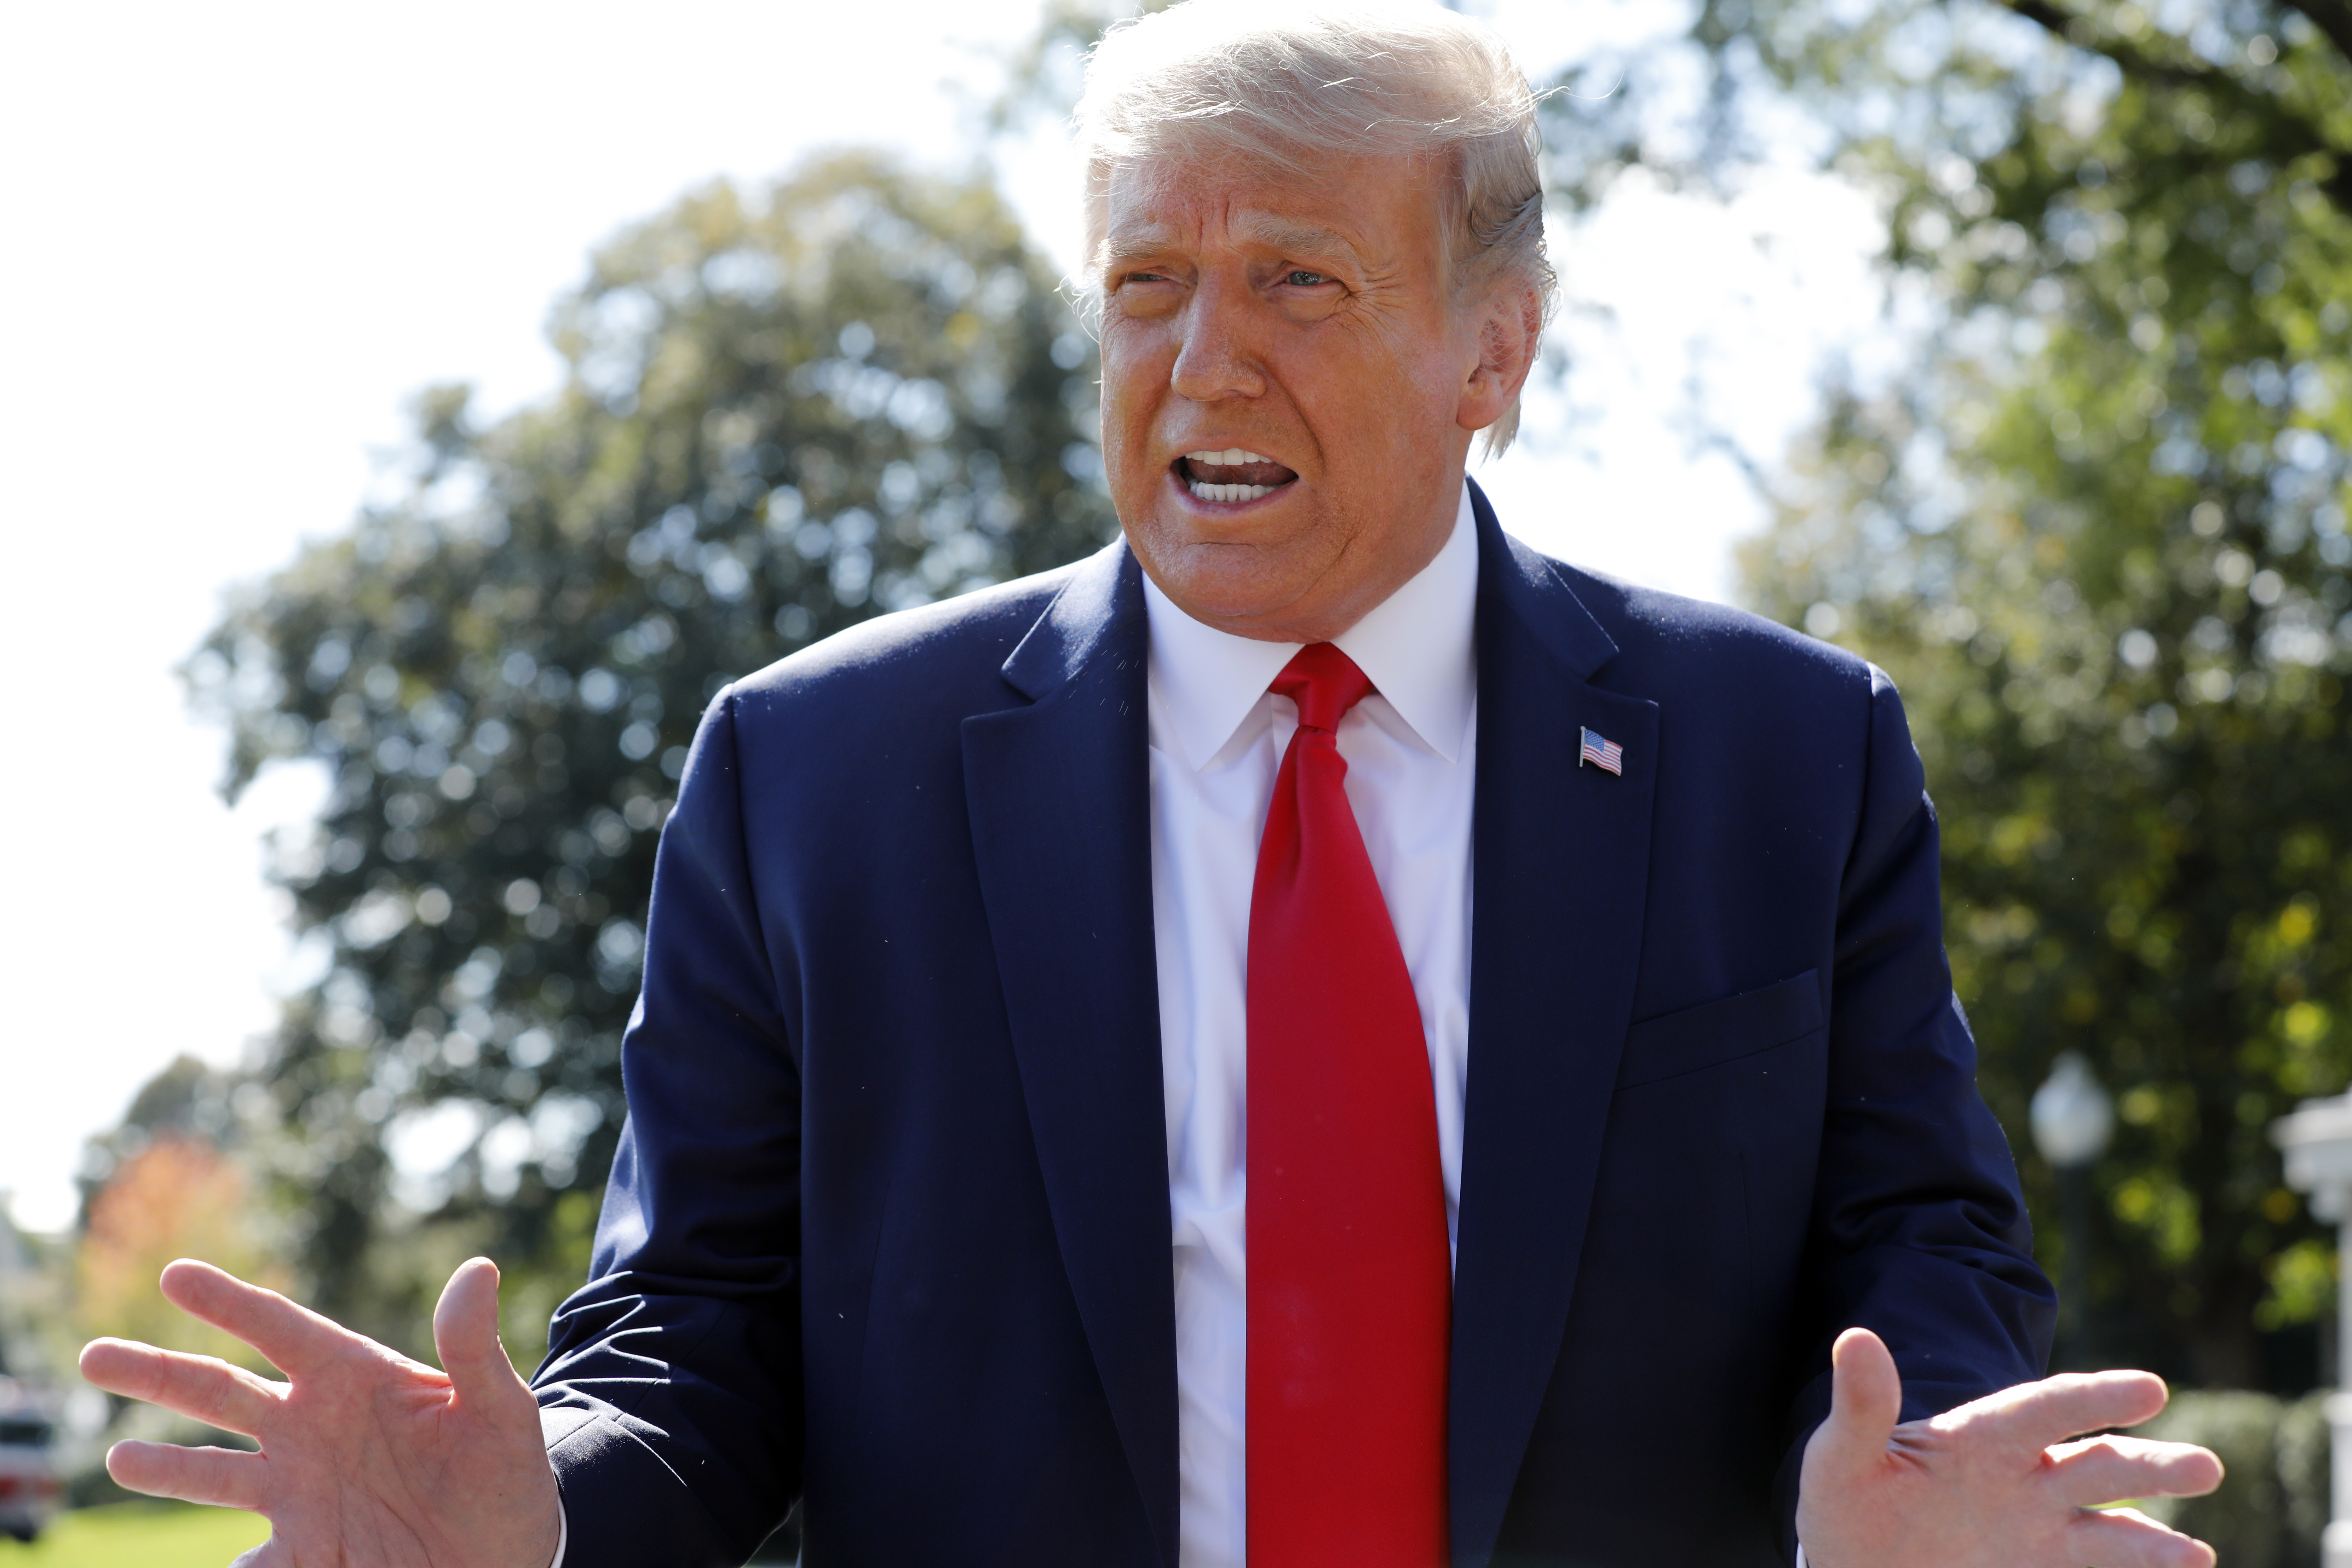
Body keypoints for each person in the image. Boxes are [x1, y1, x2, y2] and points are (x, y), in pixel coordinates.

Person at [78, 4, 2228, 1565]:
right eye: (1145, 287)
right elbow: (697, 1336)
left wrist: (1909, 1484)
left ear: (1493, 347)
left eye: (1297, 278)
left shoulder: (1784, 753)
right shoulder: (811, 775)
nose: (1203, 363)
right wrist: (542, 1519)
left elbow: (1918, 1245)